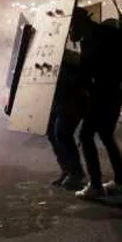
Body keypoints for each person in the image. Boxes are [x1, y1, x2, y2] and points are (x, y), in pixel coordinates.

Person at [71, 11, 122, 199]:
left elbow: (88, 70)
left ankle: (95, 185)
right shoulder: (106, 32)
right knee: (106, 135)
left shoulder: (90, 38)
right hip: (117, 90)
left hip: (104, 92)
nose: (71, 30)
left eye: (72, 26)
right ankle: (120, 181)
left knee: (86, 136)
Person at [47, 40, 88, 191]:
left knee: (63, 133)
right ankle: (67, 169)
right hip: (59, 99)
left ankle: (76, 173)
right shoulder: (48, 56)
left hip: (71, 99)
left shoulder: (69, 57)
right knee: (52, 133)